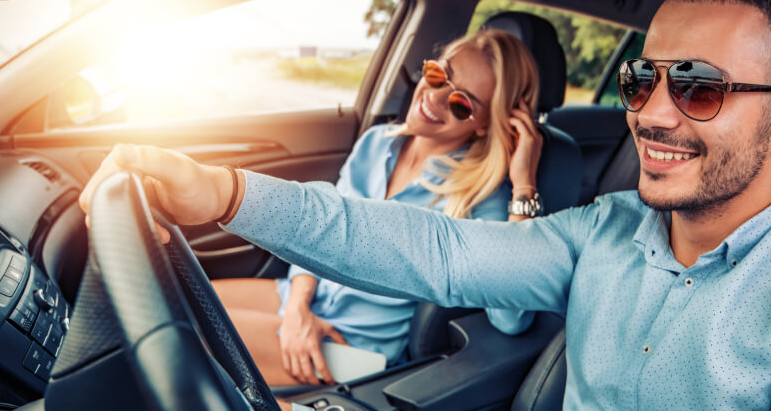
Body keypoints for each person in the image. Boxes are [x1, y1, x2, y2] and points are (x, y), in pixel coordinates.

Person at [80, 0, 771, 408]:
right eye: (643, 80)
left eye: (700, 86)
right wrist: (224, 192)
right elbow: (433, 248)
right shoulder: (604, 229)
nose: (654, 115)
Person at [207, 29, 542, 385]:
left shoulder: (481, 197)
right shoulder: (375, 143)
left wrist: (524, 185)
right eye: (438, 76)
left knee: (190, 333)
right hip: (306, 297)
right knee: (181, 296)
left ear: (487, 124)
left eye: (462, 103)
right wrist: (296, 308)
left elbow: (511, 318)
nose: (435, 96)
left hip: (351, 345)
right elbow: (317, 230)